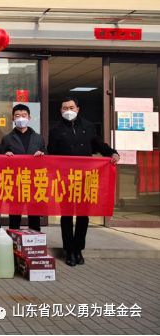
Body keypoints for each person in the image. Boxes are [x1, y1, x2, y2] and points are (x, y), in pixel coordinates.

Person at [48, 97, 120, 267]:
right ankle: (68, 250)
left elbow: (99, 145)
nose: (68, 110)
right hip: (65, 179)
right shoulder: (56, 129)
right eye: (64, 108)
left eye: (71, 107)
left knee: (83, 215)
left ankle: (78, 249)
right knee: (66, 216)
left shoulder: (88, 126)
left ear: (78, 109)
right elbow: (51, 152)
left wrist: (112, 153)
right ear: (60, 110)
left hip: (85, 178)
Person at [2, 104, 46, 231]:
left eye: (24, 115)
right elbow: (1, 160)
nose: (21, 118)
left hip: (34, 181)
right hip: (15, 182)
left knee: (34, 214)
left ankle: (35, 238)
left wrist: (42, 154)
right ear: (13, 118)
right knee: (14, 215)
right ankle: (14, 239)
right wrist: (5, 155)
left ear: (29, 117)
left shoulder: (38, 138)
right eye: (17, 116)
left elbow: (46, 156)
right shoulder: (7, 138)